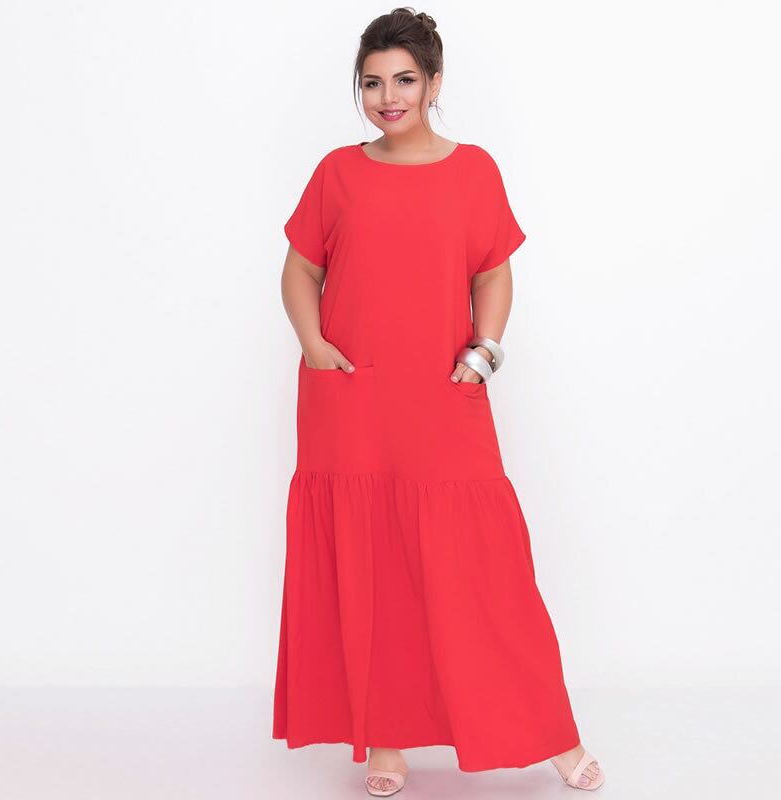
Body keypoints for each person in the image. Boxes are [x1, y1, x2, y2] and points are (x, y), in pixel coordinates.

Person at [273, 7, 605, 796]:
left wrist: (483, 354)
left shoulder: (474, 170)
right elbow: (300, 270)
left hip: (442, 393)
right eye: (372, 83)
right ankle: (384, 742)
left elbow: (493, 271)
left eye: (404, 80)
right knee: (372, 566)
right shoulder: (337, 173)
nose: (388, 98)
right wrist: (314, 345)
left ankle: (554, 735)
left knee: (485, 569)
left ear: (434, 83)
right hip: (350, 397)